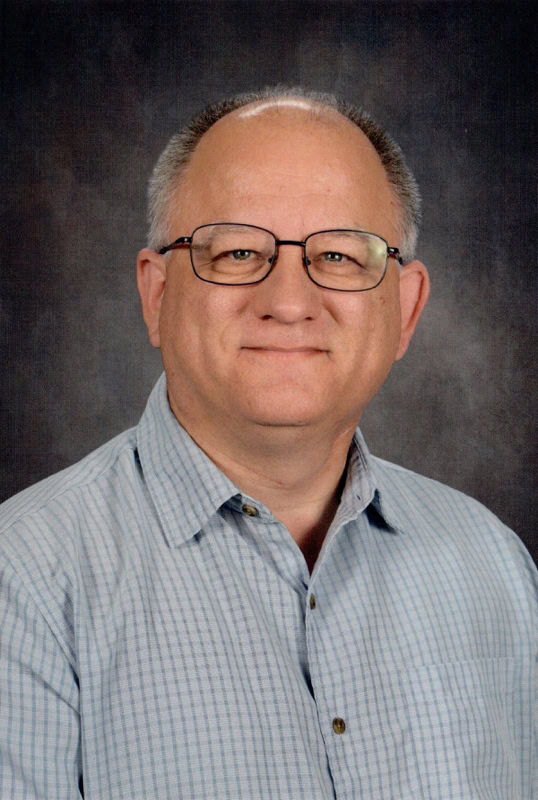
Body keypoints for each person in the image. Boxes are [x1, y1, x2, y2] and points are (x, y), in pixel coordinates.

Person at [0, 86, 535, 800]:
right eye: (237, 251)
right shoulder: (23, 587)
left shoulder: (497, 566)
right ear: (156, 295)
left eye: (340, 255)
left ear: (405, 310)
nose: (287, 302)